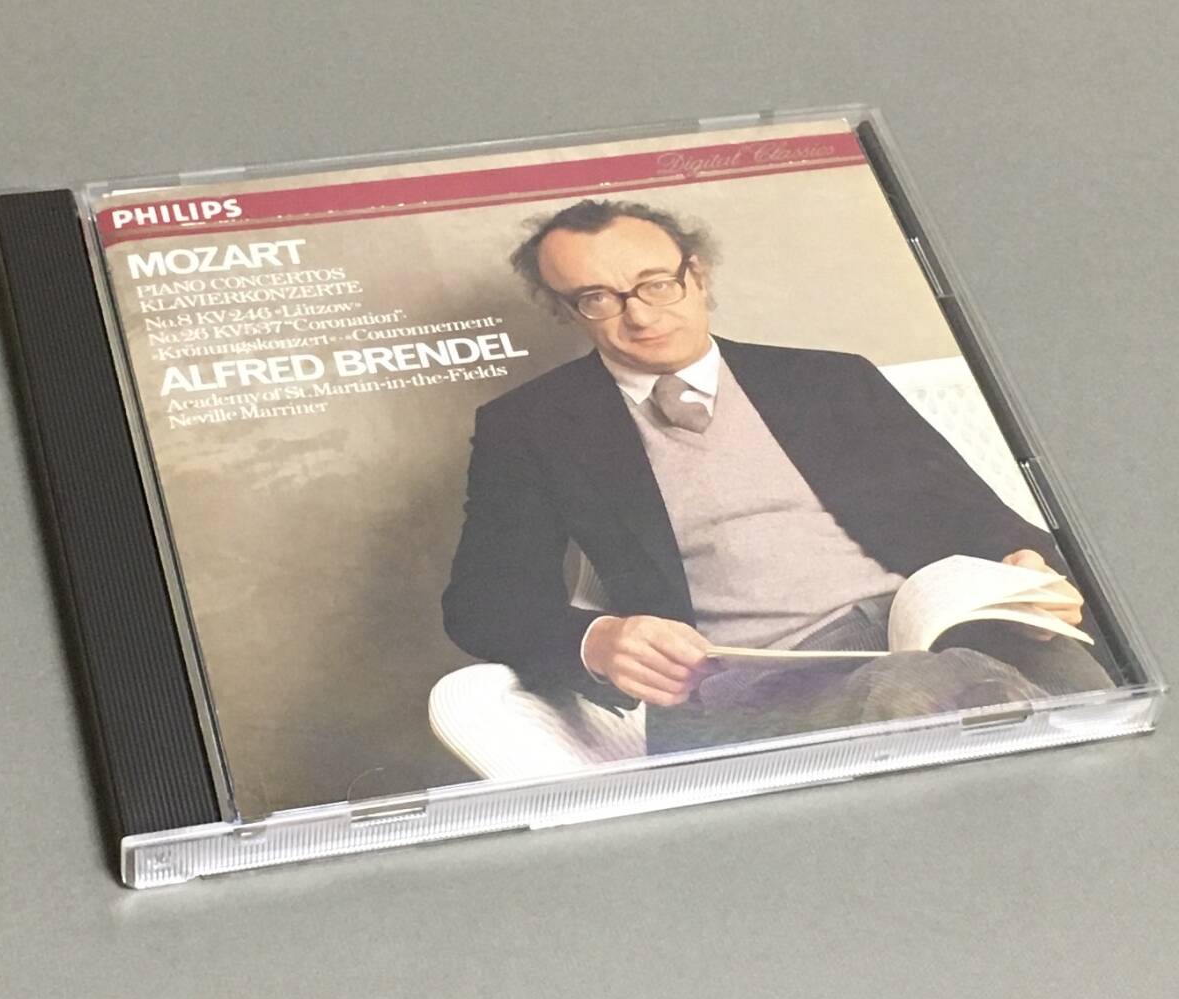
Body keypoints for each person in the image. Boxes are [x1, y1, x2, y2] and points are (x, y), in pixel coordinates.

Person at [441, 199, 1112, 754]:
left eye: (656, 283)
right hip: (753, 684)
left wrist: (1029, 574)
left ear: (697, 274)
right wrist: (597, 640)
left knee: (1081, 680)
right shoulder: (532, 427)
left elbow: (982, 521)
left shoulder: (829, 379)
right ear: (566, 312)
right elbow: (483, 602)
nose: (639, 315)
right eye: (596, 298)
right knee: (926, 693)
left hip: (927, 630)